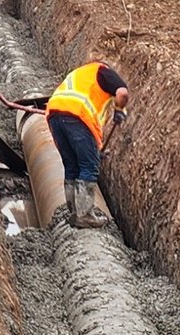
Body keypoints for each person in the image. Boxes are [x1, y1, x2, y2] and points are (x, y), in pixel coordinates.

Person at [42, 60, 127, 220]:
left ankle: (74, 212)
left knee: (71, 165)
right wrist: (119, 109)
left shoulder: (80, 74)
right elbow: (122, 93)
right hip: (78, 117)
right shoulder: (103, 71)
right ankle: (85, 216)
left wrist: (94, 151)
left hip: (54, 115)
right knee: (88, 167)